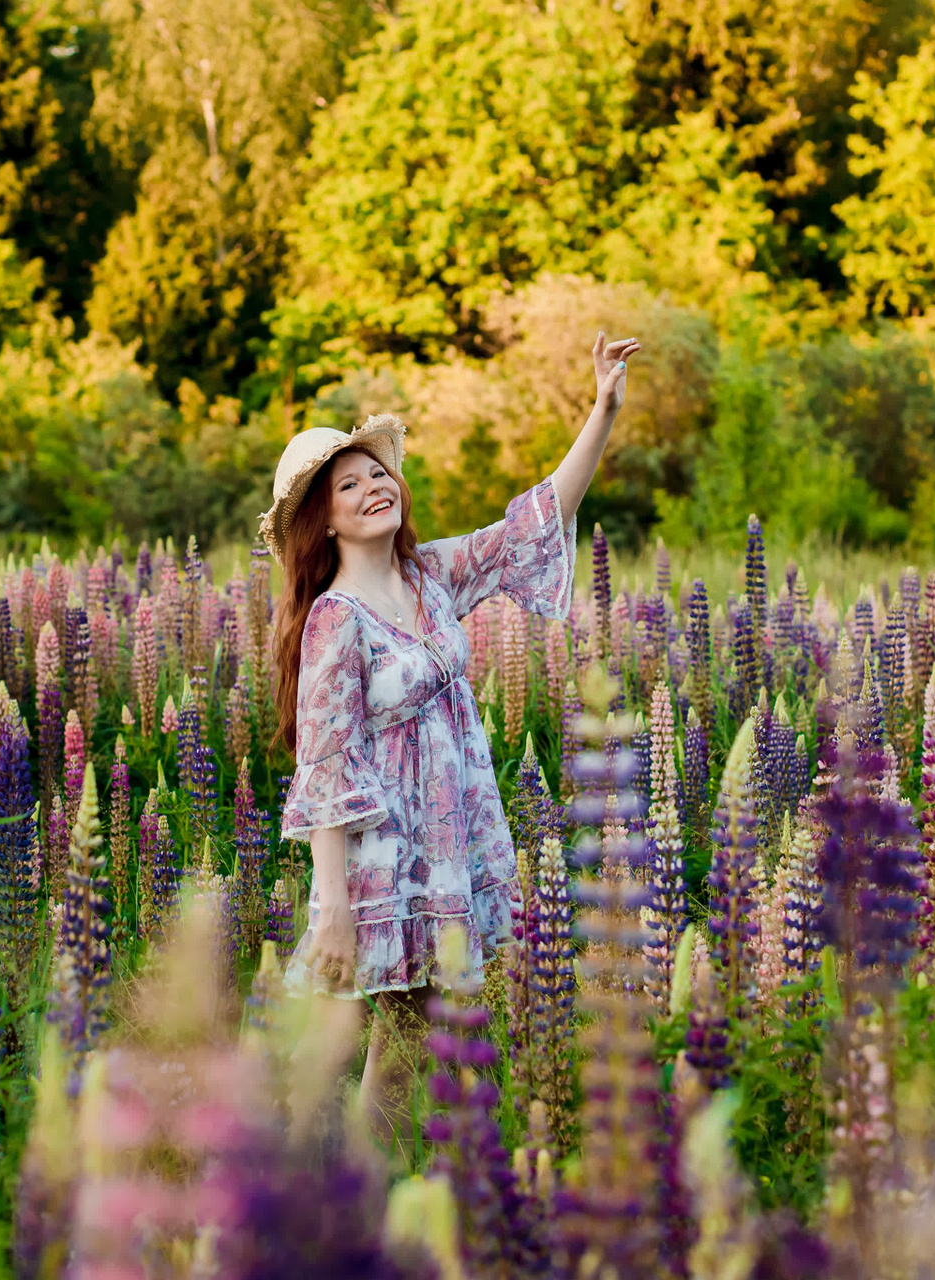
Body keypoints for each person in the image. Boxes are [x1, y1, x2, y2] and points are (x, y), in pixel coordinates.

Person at [259, 331, 642, 1138]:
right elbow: (325, 764)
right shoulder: (334, 621)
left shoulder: (429, 576)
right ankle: (281, 1193)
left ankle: (346, 1197)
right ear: (321, 523)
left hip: (449, 845)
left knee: (404, 1041)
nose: (372, 488)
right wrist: (330, 906)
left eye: (378, 473)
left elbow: (533, 524)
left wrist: (600, 412)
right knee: (348, 1042)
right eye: (348, 485)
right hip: (384, 865)